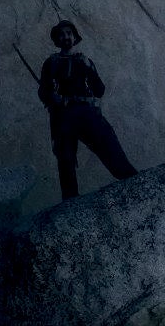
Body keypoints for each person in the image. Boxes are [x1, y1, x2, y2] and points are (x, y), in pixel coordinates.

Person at [38, 19, 137, 197]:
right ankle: (69, 204)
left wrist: (88, 69)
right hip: (63, 116)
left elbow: (99, 90)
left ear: (75, 37)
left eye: (69, 33)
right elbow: (43, 92)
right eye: (61, 34)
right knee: (66, 160)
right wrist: (52, 97)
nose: (65, 37)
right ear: (56, 40)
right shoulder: (51, 63)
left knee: (109, 147)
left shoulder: (85, 61)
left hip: (87, 113)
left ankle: (134, 182)